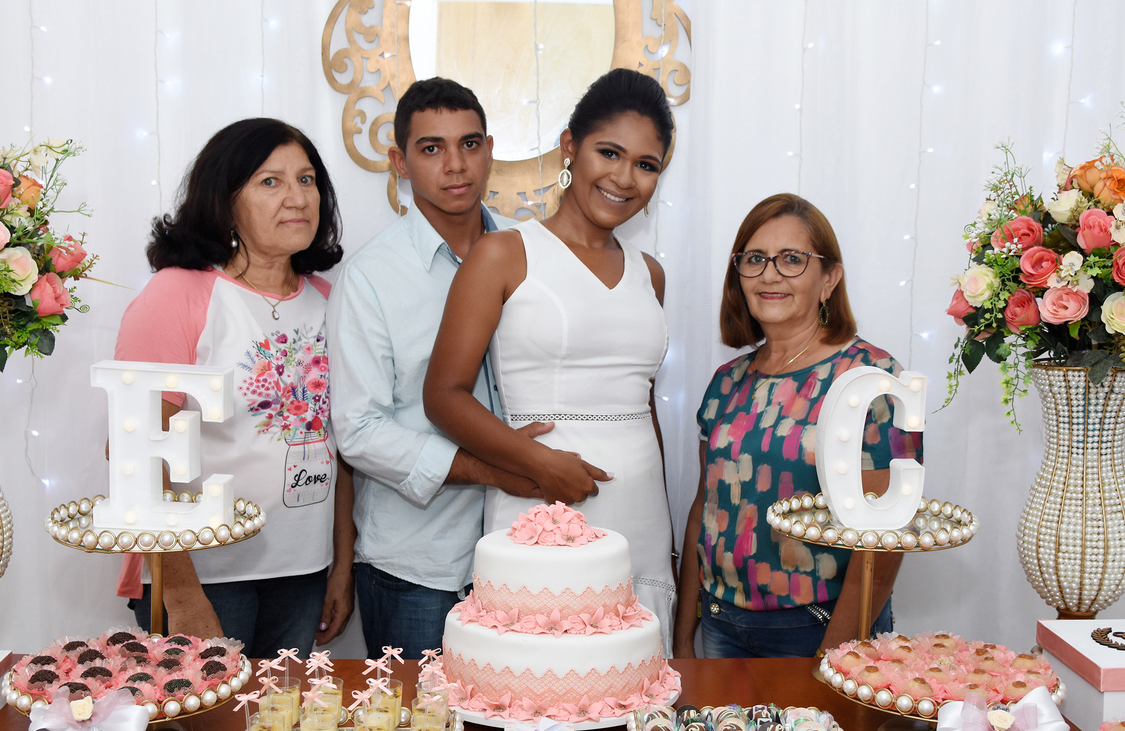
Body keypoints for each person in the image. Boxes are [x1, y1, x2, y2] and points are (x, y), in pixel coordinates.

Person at [423, 68, 678, 653]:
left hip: (641, 513)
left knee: (630, 683)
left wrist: (664, 530)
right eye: (608, 153)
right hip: (538, 503)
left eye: (646, 164)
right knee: (537, 677)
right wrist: (538, 463)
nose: (624, 178)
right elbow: (442, 395)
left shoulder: (651, 274)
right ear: (570, 146)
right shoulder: (503, 254)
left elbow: (643, 406)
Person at [113, 118, 356, 658]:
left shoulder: (331, 299)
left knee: (282, 710)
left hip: (303, 572)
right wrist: (181, 593)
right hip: (206, 574)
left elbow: (342, 447)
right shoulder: (178, 295)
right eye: (270, 182)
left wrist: (342, 566)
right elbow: (134, 450)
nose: (297, 198)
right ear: (224, 201)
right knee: (208, 714)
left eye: (307, 179)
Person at [328, 78, 548, 660]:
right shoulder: (370, 277)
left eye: (469, 144)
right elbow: (358, 430)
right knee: (419, 718)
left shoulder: (534, 254)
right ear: (400, 162)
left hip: (528, 550)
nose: (455, 165)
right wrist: (489, 469)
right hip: (418, 567)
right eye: (431, 148)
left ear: (490, 150)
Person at [672, 193, 923, 659]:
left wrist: (833, 657)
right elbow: (703, 511)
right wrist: (682, 635)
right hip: (721, 625)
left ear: (829, 279)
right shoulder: (726, 381)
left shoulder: (870, 378)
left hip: (817, 628)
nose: (770, 274)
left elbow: (884, 541)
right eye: (755, 259)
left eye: (792, 259)